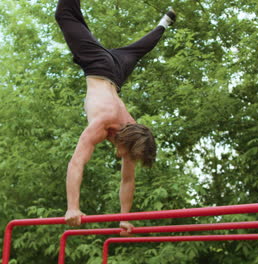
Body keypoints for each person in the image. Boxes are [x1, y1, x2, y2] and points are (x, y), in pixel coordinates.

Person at [54, 0, 176, 234]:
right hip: (99, 66)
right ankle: (164, 23)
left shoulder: (132, 135)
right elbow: (76, 162)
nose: (124, 158)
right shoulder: (104, 123)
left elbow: (128, 181)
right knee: (64, 14)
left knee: (140, 49)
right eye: (127, 154)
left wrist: (124, 218)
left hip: (117, 72)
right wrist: (72, 207)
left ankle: (165, 22)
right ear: (126, 142)